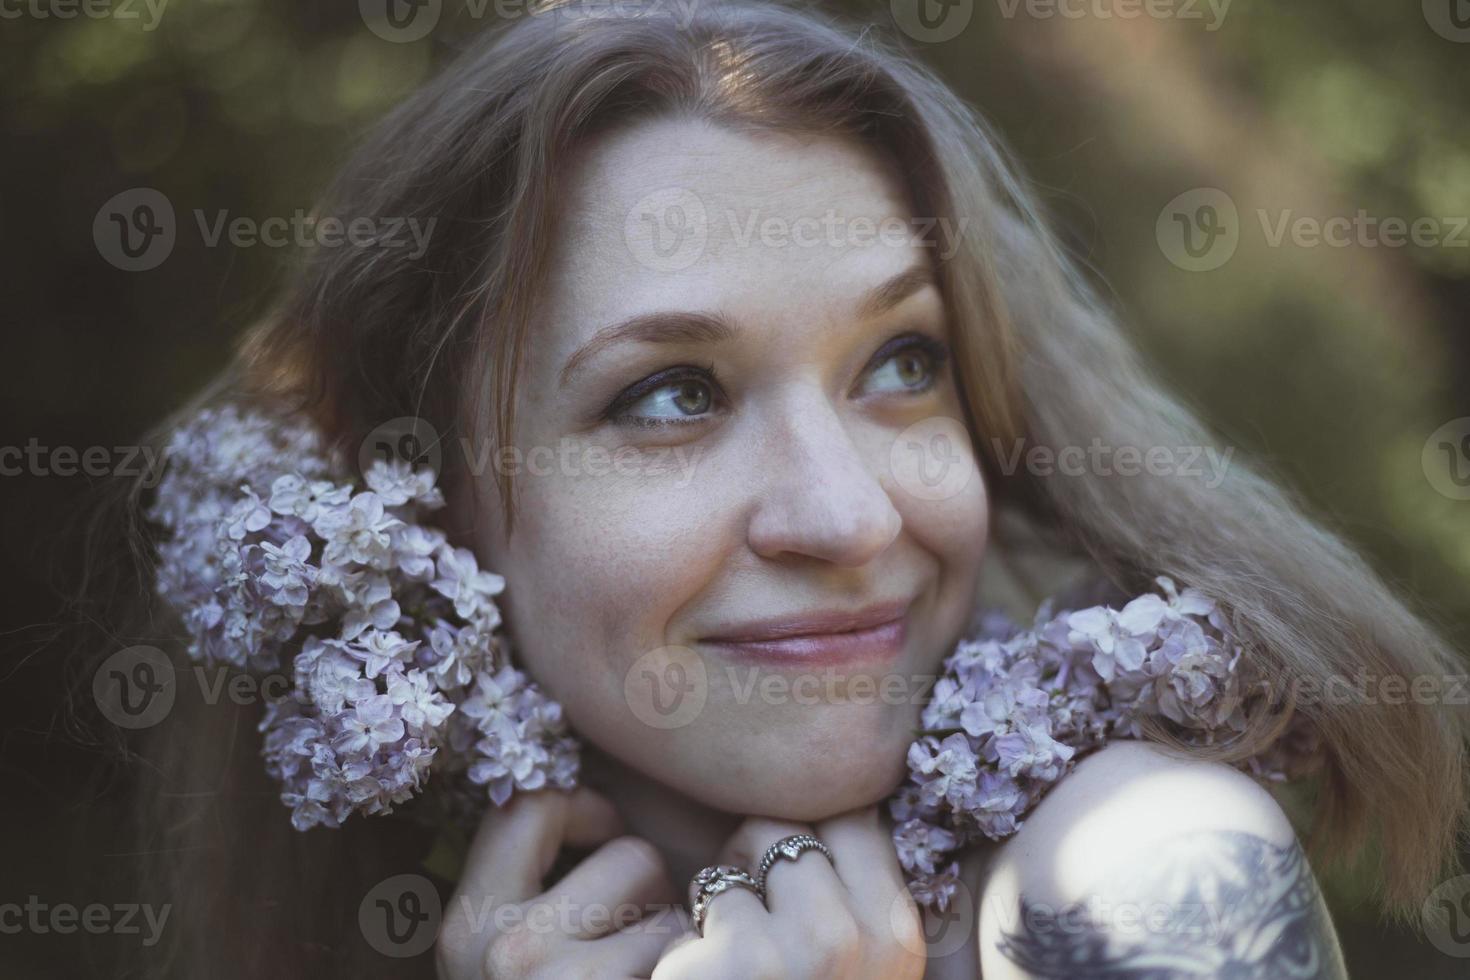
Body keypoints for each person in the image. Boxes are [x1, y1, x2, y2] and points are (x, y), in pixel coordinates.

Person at [99, 1, 1466, 976]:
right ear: (426, 510)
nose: (850, 515)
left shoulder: (1132, 872)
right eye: (672, 394)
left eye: (900, 362)